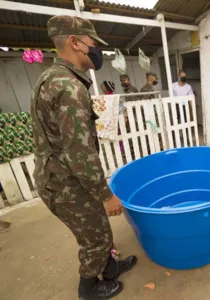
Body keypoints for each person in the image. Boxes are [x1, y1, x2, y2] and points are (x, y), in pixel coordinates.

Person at [30, 15, 137, 299]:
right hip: (65, 181)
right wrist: (106, 195)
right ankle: (88, 288)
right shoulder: (68, 88)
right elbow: (79, 154)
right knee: (95, 237)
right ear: (75, 43)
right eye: (93, 44)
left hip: (61, 175)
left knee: (98, 228)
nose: (98, 51)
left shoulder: (50, 77)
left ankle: (110, 267)